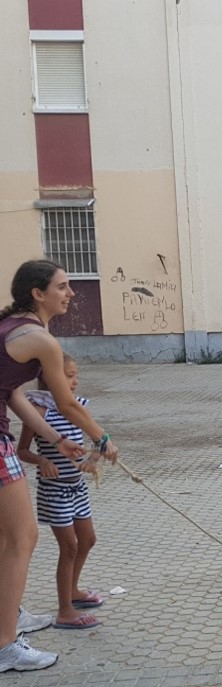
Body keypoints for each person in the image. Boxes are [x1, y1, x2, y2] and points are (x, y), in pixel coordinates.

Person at [1, 259, 116, 673]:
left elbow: (12, 394)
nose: (70, 293)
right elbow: (64, 403)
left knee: (9, 539)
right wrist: (101, 438)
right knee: (22, 539)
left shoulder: (15, 327)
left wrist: (57, 439)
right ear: (38, 293)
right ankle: (5, 646)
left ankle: (9, 617)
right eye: (63, 287)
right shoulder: (39, 339)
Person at [16, 354, 104, 630]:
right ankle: (65, 611)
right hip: (54, 491)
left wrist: (92, 461)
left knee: (87, 540)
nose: (75, 381)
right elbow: (22, 450)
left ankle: (74, 591)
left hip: (77, 487)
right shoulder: (38, 412)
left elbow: (97, 442)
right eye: (68, 376)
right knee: (69, 547)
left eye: (76, 375)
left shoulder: (77, 408)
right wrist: (42, 461)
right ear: (49, 378)